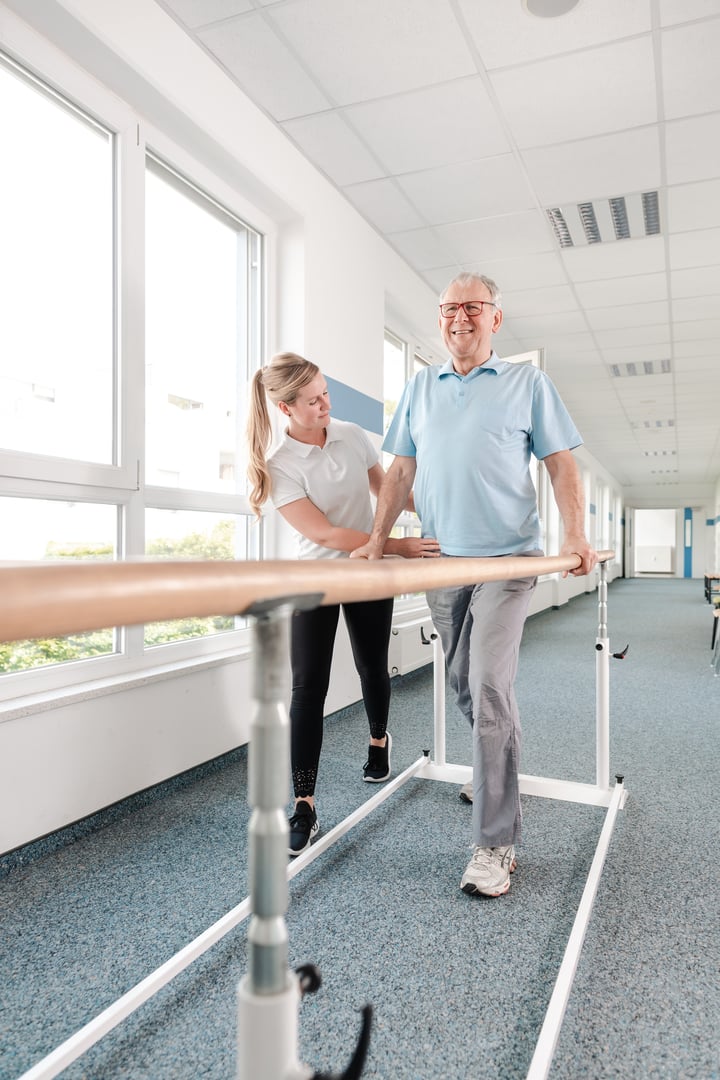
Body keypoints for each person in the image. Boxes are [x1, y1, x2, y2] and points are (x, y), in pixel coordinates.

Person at [351, 273, 597, 898]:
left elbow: (561, 462)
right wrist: (378, 541)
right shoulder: (420, 387)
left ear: (495, 318)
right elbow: (401, 470)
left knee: (487, 685)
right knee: (464, 681)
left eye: (472, 307)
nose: (459, 317)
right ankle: (496, 768)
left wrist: (575, 535)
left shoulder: (527, 383)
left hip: (508, 561)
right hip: (443, 561)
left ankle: (495, 842)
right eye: (449, 308)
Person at [247, 352, 440, 856]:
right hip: (318, 578)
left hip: (368, 572)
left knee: (372, 665)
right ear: (286, 409)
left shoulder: (351, 435)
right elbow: (327, 534)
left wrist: (441, 506)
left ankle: (378, 740)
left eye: (326, 393)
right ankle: (304, 805)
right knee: (307, 687)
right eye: (313, 401)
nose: (325, 405)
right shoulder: (280, 465)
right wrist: (395, 545)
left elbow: (388, 490)